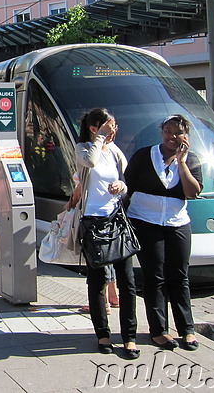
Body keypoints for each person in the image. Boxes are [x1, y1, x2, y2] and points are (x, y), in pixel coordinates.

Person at [125, 114, 202, 352]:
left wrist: (181, 163)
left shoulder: (192, 160)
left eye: (178, 132)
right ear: (162, 133)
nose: (172, 136)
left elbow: (192, 192)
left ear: (186, 136)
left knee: (180, 276)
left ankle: (187, 329)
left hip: (177, 222)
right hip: (145, 221)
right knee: (155, 277)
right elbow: (128, 186)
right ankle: (159, 331)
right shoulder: (143, 155)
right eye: (168, 131)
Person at [74, 108, 138, 359]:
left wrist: (121, 187)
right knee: (98, 281)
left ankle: (130, 336)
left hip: (116, 220)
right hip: (93, 221)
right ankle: (103, 334)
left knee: (127, 281)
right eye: (110, 126)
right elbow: (88, 161)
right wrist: (99, 138)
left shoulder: (114, 151)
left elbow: (126, 179)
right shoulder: (83, 148)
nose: (114, 130)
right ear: (94, 128)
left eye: (114, 126)